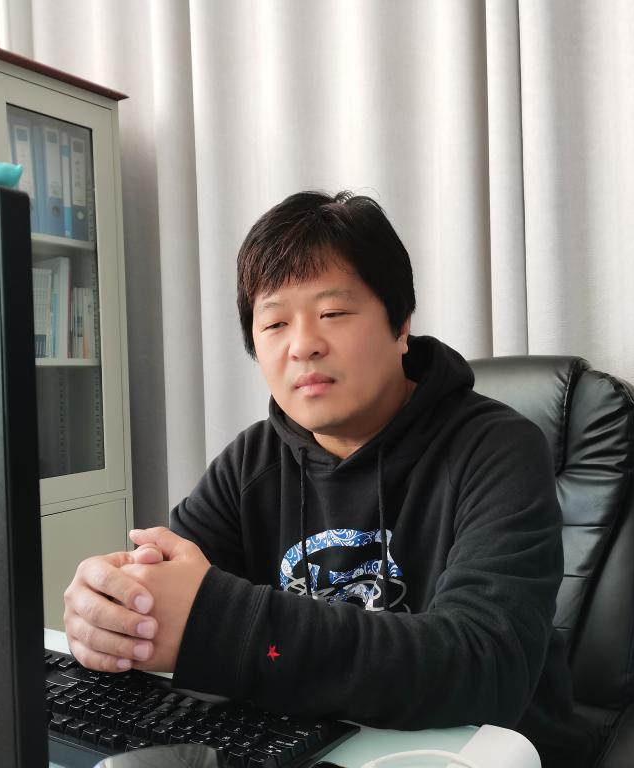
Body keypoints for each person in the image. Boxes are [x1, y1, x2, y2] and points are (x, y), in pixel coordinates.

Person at [63, 191, 597, 766]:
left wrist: (225, 623)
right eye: (274, 322)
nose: (303, 345)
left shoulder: (497, 449)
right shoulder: (251, 462)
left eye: (334, 314)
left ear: (401, 324)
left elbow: (485, 667)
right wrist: (112, 613)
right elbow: (166, 598)